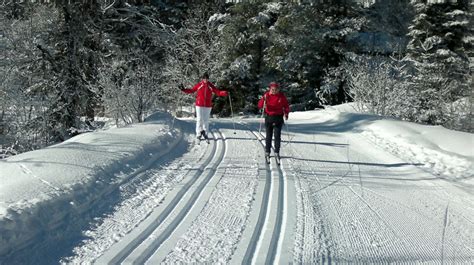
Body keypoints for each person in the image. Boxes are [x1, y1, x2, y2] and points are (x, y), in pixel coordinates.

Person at [180, 72, 228, 140]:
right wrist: (184, 89)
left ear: (208, 79)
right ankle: (198, 134)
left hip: (208, 105)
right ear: (202, 79)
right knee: (199, 119)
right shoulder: (199, 85)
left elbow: (217, 92)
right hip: (199, 105)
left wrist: (224, 93)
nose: (205, 79)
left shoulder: (210, 86)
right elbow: (192, 90)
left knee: (206, 120)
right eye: (204, 78)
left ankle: (205, 133)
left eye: (207, 78)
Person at [258, 82, 290, 161]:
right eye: (272, 89)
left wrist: (286, 114)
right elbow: (259, 105)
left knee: (277, 136)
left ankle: (277, 152)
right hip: (269, 118)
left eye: (276, 89)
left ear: (278, 89)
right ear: (270, 89)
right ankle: (267, 151)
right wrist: (263, 103)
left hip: (278, 118)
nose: (274, 91)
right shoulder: (266, 95)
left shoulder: (281, 96)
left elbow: (286, 106)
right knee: (269, 136)